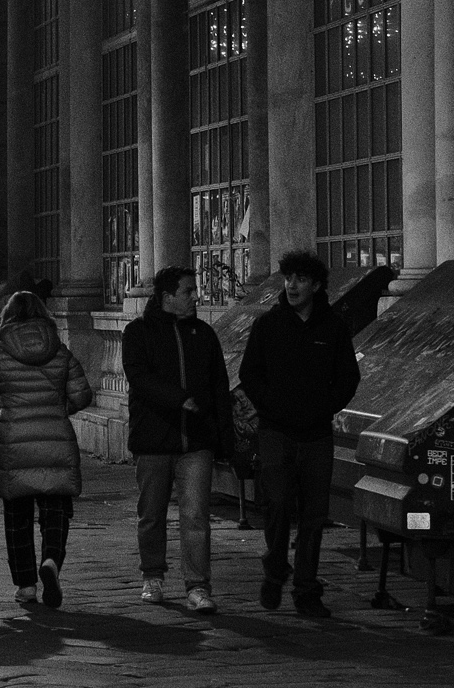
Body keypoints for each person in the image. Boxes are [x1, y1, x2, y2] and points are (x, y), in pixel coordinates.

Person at [239, 250, 361, 620]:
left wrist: (324, 407)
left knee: (313, 515)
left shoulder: (333, 327)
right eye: (288, 278)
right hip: (276, 431)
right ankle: (275, 566)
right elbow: (250, 375)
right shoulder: (269, 325)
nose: (291, 285)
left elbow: (347, 379)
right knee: (275, 504)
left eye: (300, 279)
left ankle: (306, 588)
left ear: (317, 286)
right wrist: (271, 408)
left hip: (316, 435)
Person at [0, 292, 94, 608]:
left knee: (16, 517)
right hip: (55, 439)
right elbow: (83, 394)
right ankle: (51, 561)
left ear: (7, 317)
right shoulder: (59, 351)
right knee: (56, 510)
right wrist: (60, 407)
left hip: (13, 441)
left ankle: (26, 585)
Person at [122, 265, 234, 614]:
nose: (195, 296)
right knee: (152, 513)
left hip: (196, 441)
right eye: (188, 291)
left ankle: (198, 585)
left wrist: (224, 439)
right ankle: (152, 575)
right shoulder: (138, 332)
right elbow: (139, 377)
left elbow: (219, 387)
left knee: (196, 515)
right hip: (154, 438)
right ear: (167, 296)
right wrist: (178, 398)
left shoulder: (203, 333)